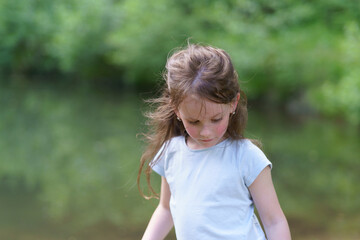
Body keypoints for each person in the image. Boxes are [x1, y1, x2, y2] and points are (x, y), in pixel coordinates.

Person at [138, 43, 291, 240]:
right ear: (176, 110)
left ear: (233, 104)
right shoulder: (171, 152)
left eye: (216, 119)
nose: (206, 131)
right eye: (194, 121)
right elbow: (166, 209)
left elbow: (274, 221)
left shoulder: (246, 156)